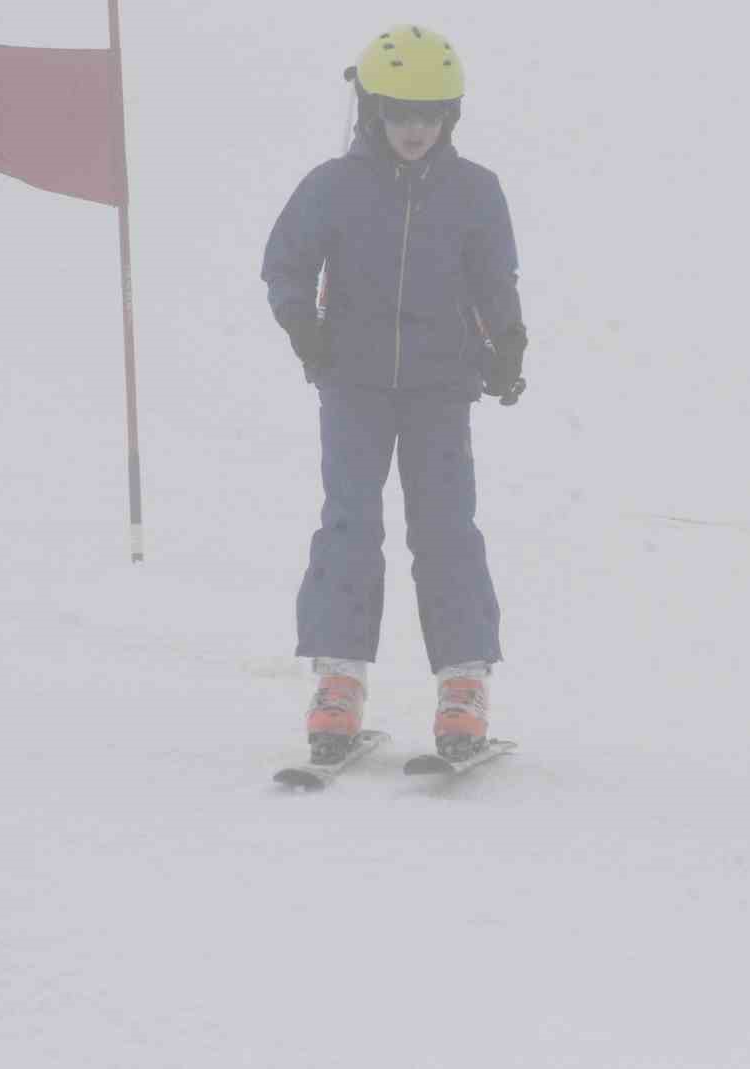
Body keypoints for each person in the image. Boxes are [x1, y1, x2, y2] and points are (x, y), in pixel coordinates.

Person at [261, 25, 527, 764]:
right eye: (401, 114)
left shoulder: (477, 192)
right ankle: (339, 681)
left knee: (446, 528)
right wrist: (301, 327)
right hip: (353, 384)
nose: (416, 129)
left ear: (451, 117)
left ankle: (463, 685)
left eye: (431, 114)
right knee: (349, 523)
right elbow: (285, 263)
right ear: (373, 111)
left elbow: (494, 282)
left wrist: (508, 344)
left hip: (441, 386)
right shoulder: (332, 186)